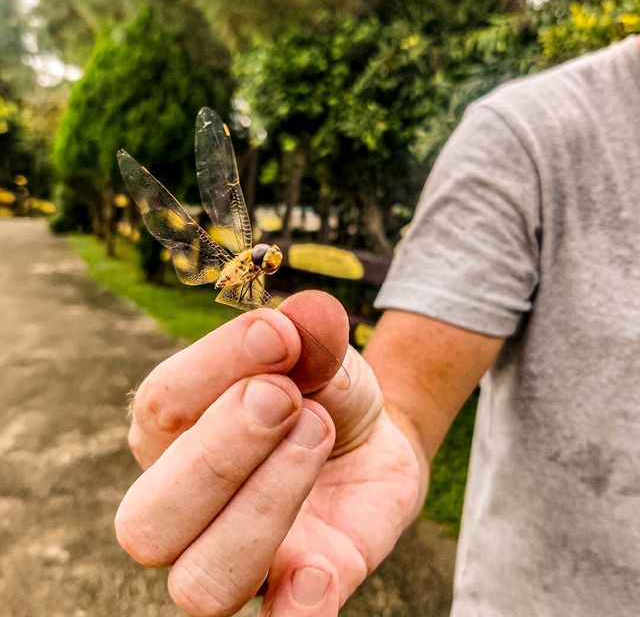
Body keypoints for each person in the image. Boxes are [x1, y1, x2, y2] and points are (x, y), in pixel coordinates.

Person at [115, 35, 640, 616]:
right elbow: (403, 414)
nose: (269, 259)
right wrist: (365, 436)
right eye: (265, 258)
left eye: (265, 260)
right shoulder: (529, 136)